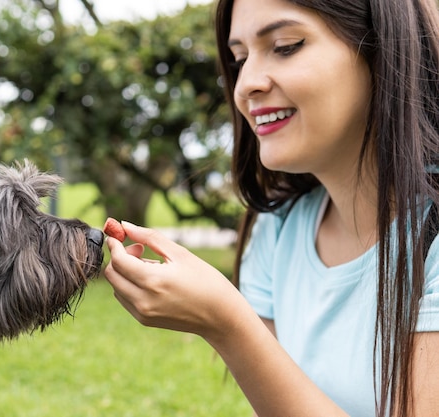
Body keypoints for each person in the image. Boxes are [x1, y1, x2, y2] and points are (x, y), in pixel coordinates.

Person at [103, 0, 439, 416]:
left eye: (285, 45)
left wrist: (227, 323)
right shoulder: (278, 228)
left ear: (381, 49)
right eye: (239, 58)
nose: (245, 85)